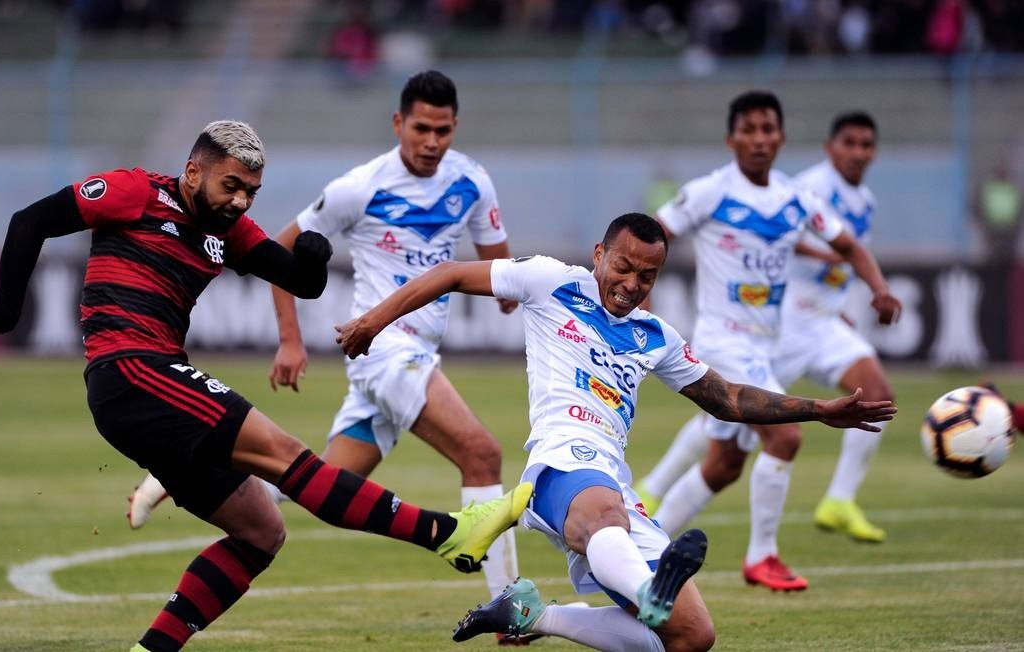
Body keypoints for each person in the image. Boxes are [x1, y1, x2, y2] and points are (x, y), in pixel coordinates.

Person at [0, 120, 530, 652]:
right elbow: (32, 222)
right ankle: (447, 533)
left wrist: (316, 257)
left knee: (260, 530)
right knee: (286, 455)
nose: (240, 201)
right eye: (231, 186)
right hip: (133, 370)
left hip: (147, 388)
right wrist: (4, 315)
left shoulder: (233, 231)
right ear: (193, 171)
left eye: (251, 191)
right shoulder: (133, 191)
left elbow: (299, 280)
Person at [335, 213, 896, 650]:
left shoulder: (655, 335)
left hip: (613, 481)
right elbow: (453, 274)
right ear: (600, 254)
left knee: (691, 637)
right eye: (622, 267)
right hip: (560, 462)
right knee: (608, 519)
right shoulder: (554, 282)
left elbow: (727, 398)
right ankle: (649, 592)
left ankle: (535, 615)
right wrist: (372, 322)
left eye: (646, 275)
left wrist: (818, 409)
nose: (631, 284)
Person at [124, 71, 529, 641]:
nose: (431, 141)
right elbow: (278, 251)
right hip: (382, 347)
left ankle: (181, 472)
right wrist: (290, 339)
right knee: (481, 453)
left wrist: (515, 297)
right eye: (420, 128)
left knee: (320, 483)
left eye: (442, 130)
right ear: (398, 124)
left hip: (412, 354)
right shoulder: (358, 188)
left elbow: (498, 264)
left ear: (455, 127)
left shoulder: (473, 182)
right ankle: (509, 615)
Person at [633, 91, 902, 592]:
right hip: (722, 343)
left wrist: (880, 288)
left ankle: (647, 551)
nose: (759, 140)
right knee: (786, 436)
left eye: (768, 130)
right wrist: (639, 289)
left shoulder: (796, 198)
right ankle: (762, 556)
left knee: (723, 466)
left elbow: (848, 244)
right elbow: (652, 231)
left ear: (781, 137)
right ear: (731, 138)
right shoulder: (712, 190)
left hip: (764, 345)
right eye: (749, 130)